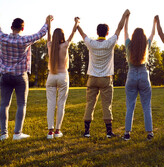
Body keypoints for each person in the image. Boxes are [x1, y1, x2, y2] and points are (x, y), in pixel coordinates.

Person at [0, 10, 50, 141]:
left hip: (5, 76)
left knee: (4, 105)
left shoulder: (3, 38)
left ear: (11, 27)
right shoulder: (24, 40)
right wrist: (47, 23)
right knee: (21, 104)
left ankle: (3, 134)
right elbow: (40, 34)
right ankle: (17, 133)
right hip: (20, 76)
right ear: (22, 28)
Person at [76, 9, 129, 138]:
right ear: (107, 33)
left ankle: (87, 132)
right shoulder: (110, 43)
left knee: (90, 104)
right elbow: (119, 28)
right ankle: (109, 132)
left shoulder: (91, 44)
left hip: (92, 78)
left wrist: (77, 24)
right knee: (107, 105)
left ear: (97, 32)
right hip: (105, 78)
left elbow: (83, 34)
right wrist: (124, 15)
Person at [122, 14, 156, 141]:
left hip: (131, 75)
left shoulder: (128, 45)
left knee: (130, 105)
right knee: (146, 105)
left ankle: (126, 133)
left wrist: (126, 18)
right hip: (143, 75)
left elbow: (125, 31)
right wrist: (155, 22)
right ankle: (150, 132)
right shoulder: (146, 46)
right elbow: (153, 34)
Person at [46, 17, 80, 139]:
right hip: (63, 77)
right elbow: (73, 33)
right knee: (61, 104)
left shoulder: (49, 45)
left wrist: (48, 22)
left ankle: (50, 132)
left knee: (50, 104)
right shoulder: (65, 45)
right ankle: (57, 130)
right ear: (62, 36)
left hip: (51, 76)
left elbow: (48, 34)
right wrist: (76, 23)